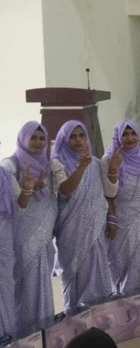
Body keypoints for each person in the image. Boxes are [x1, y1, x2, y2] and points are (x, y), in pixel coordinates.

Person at [51, 120, 113, 310]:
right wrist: (80, 167)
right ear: (63, 139)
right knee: (75, 275)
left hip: (96, 227)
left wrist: (111, 217)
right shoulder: (57, 163)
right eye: (72, 136)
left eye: (81, 135)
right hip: (71, 230)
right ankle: (76, 316)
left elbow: (105, 193)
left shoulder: (96, 163)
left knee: (98, 271)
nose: (78, 140)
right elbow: (65, 190)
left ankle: (100, 315)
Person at [1, 122, 56, 330]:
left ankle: (42, 329)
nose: (37, 142)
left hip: (43, 233)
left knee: (41, 281)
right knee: (23, 283)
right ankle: (23, 331)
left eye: (41, 138)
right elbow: (11, 204)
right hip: (20, 234)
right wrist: (28, 190)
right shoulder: (10, 165)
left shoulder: (47, 165)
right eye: (32, 137)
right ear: (22, 138)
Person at [103, 120, 140, 295]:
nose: (130, 138)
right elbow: (109, 192)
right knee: (122, 262)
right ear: (118, 137)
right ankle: (125, 299)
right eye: (125, 134)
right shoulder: (108, 159)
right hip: (122, 219)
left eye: (133, 133)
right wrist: (114, 167)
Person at [0, 142, 17, 337]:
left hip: (4, 239)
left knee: (5, 288)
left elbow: (20, 204)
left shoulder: (5, 174)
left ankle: (8, 336)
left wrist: (29, 189)